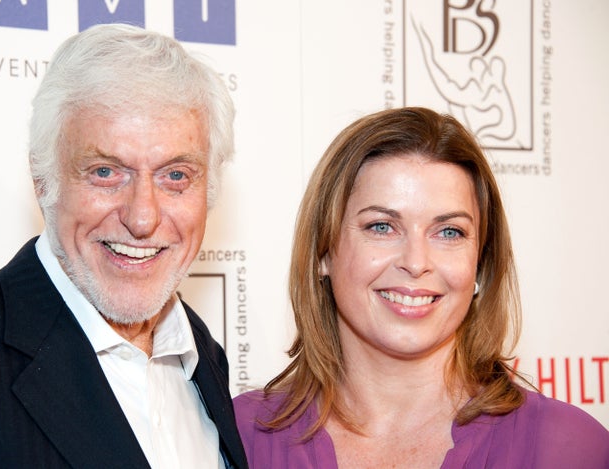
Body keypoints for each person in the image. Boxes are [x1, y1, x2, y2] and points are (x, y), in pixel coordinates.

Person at [0, 24, 248, 469]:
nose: (142, 218)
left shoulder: (203, 356)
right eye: (105, 172)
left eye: (175, 176)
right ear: (43, 179)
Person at [233, 107, 609, 468]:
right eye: (381, 226)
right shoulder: (236, 438)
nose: (415, 262)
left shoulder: (569, 449)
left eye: (449, 232)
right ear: (323, 251)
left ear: (480, 259)